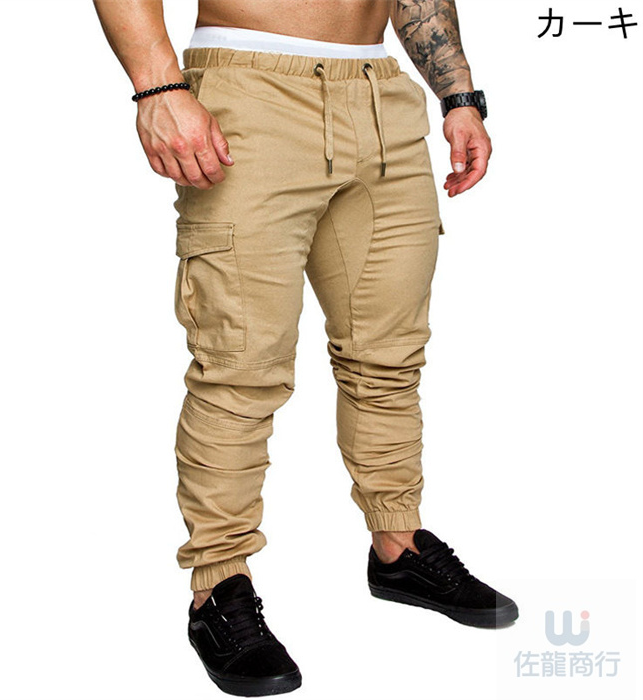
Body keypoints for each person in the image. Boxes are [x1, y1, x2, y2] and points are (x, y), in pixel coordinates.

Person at [93, 0, 518, 695]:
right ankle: (218, 587)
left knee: (388, 358)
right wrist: (158, 86)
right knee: (240, 368)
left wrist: (459, 96)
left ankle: (398, 545)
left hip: (381, 98)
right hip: (250, 89)